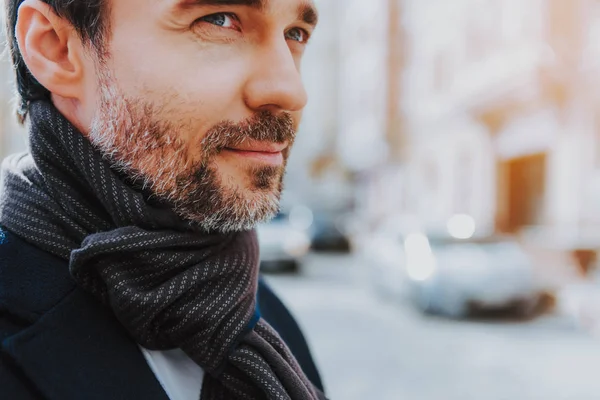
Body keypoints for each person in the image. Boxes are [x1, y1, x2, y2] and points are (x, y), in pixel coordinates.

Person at [0, 0, 326, 399]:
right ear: (57, 49)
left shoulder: (262, 317)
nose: (291, 90)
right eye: (218, 20)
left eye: (295, 34)